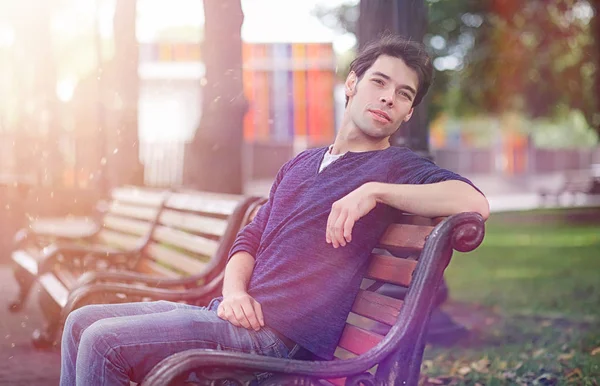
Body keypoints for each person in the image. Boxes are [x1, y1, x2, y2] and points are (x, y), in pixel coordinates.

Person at [59, 34, 489, 386]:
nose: (388, 98)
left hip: (275, 340)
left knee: (103, 342)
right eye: (379, 82)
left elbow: (474, 203)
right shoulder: (301, 163)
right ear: (352, 85)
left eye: (402, 94)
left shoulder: (394, 167)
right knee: (80, 322)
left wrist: (375, 191)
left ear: (409, 111)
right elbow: (250, 237)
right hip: (230, 315)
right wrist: (234, 292)